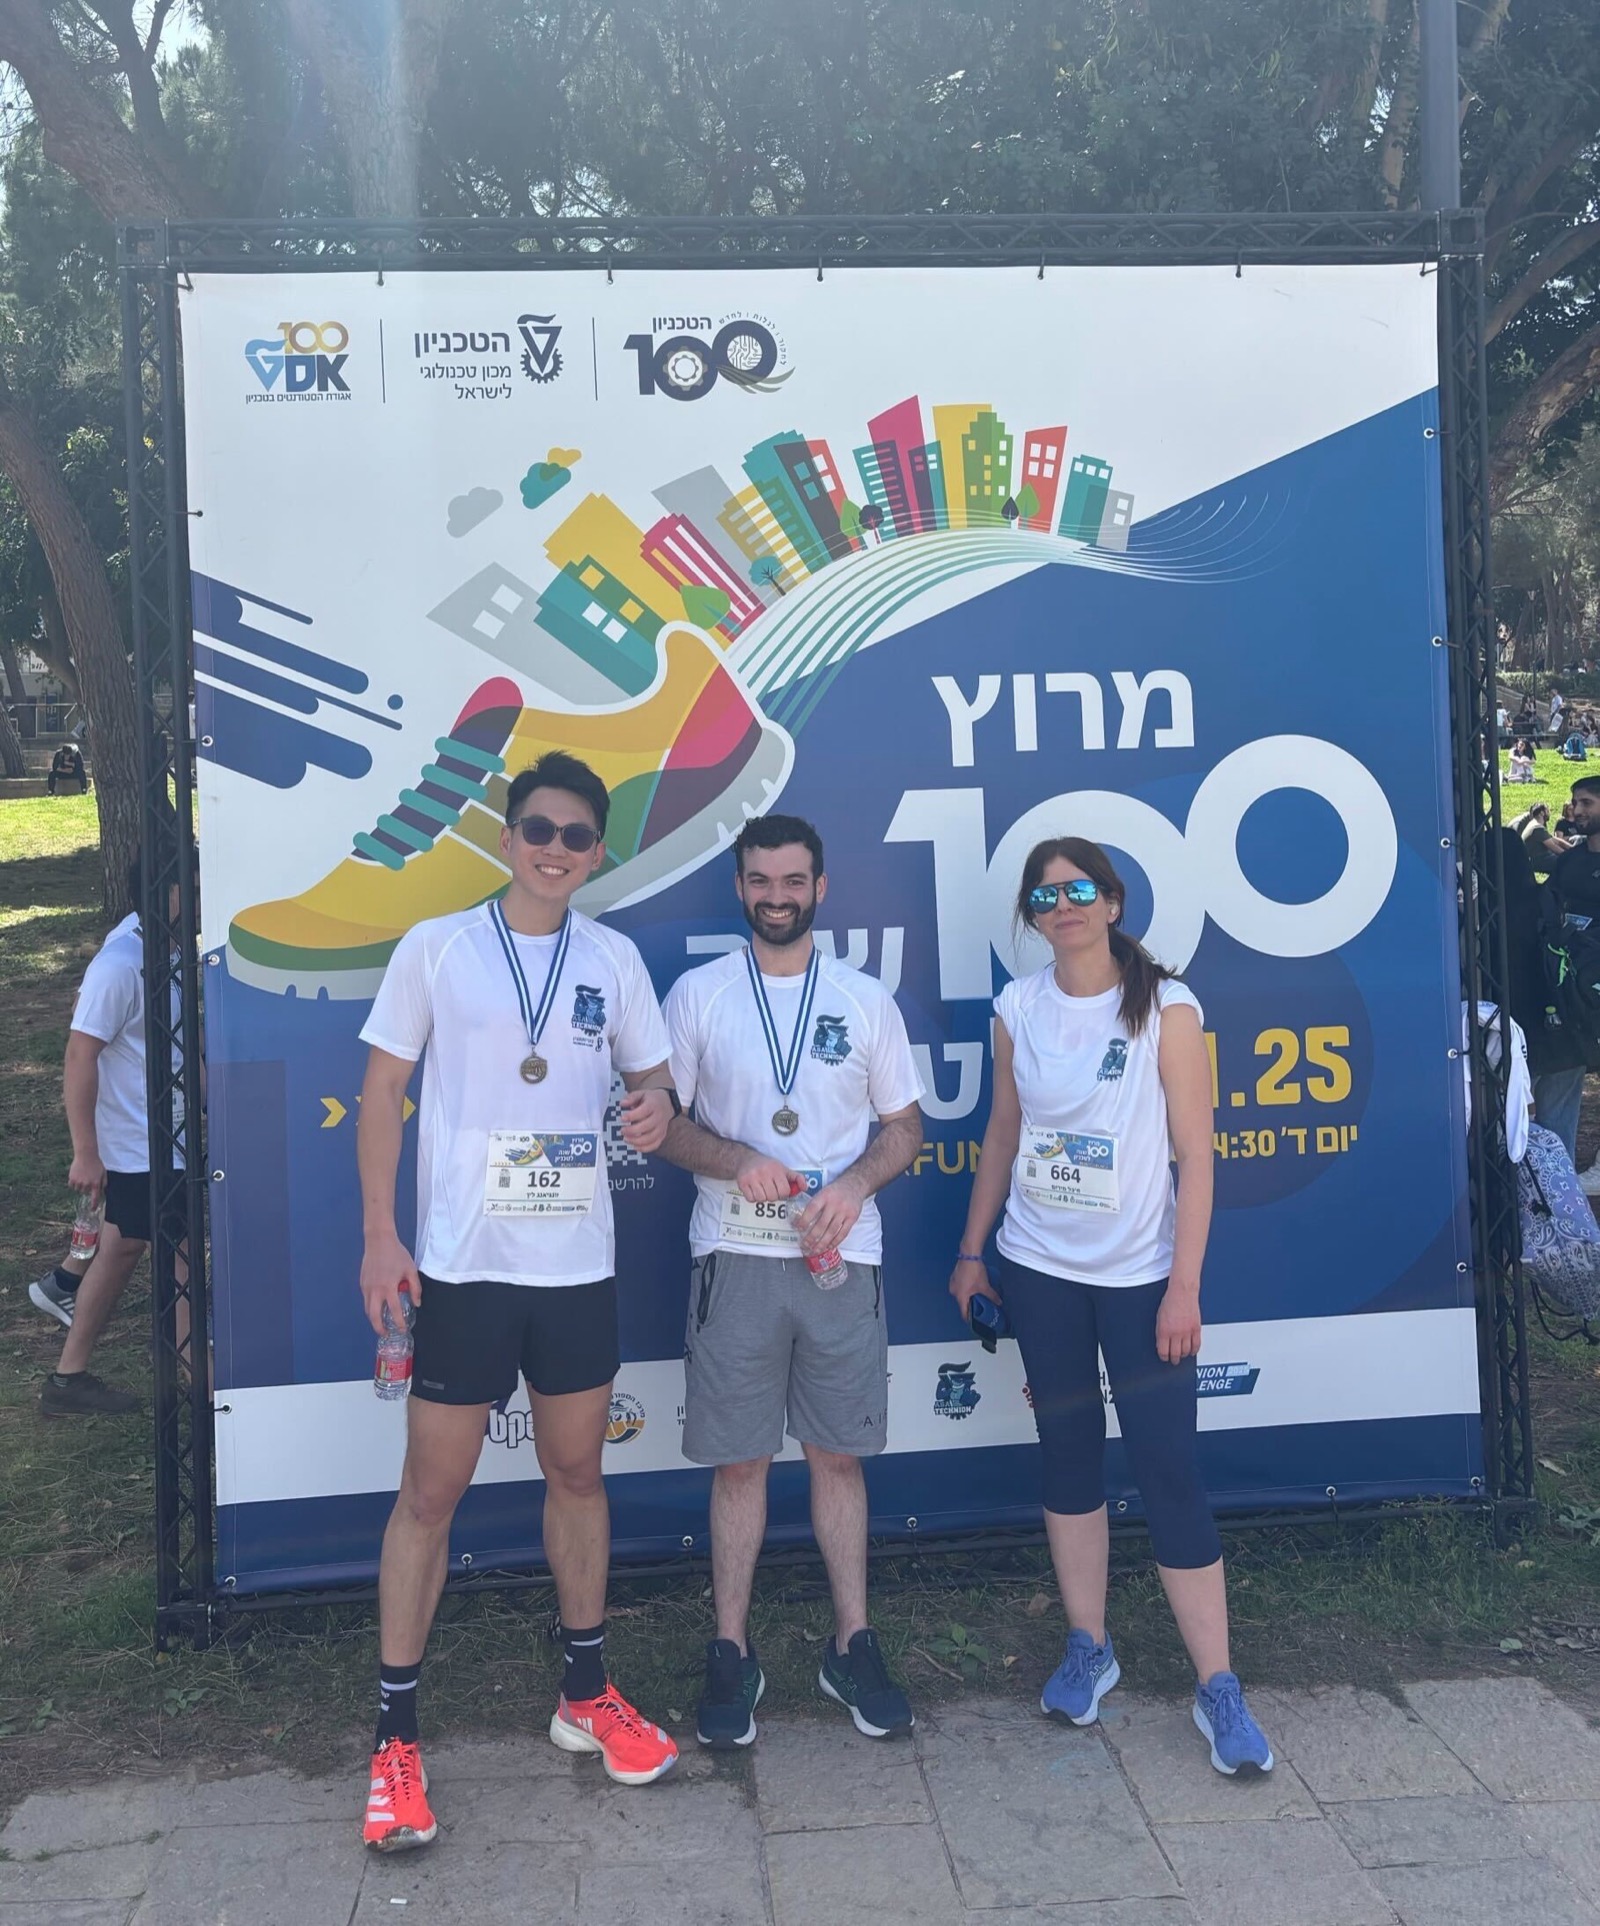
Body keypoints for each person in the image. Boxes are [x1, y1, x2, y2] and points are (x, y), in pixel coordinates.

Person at [356, 749, 682, 1854]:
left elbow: (653, 1083)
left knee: (578, 1473)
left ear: (597, 852)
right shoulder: (436, 948)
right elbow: (383, 1095)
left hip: (575, 1266)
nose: (553, 849)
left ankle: (584, 1695)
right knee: (431, 1494)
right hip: (462, 1264)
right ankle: (395, 1740)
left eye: (575, 837)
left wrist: (651, 1111)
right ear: (505, 838)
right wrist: (380, 1237)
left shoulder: (613, 959)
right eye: (537, 829)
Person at [949, 836, 1274, 1776]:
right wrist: (974, 1252)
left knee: (1170, 1471)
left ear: (1115, 901)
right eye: (1047, 894)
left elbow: (1198, 1158)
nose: (1066, 905)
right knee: (1068, 1458)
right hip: (1040, 1269)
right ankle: (1089, 1647)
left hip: (1140, 1281)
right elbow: (1003, 1136)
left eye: (1081, 888)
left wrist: (1184, 1285)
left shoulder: (1168, 1007)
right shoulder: (1017, 1007)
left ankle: (1217, 1683)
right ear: (1031, 913)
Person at [657, 814, 925, 1750]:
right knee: (739, 1462)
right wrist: (736, 1160)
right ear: (739, 886)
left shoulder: (865, 1000)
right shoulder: (698, 994)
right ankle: (730, 1647)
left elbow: (906, 1127)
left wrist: (853, 1185)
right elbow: (661, 1123)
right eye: (761, 880)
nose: (778, 895)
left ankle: (853, 1640)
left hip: (841, 1260)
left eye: (794, 880)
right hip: (733, 1254)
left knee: (837, 1457)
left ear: (821, 887)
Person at [40, 857, 187, 1415]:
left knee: (128, 1245)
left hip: (160, 1136)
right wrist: (86, 1151)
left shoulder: (167, 952)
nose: (201, 900)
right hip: (136, 1142)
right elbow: (80, 1052)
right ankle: (200, 1380)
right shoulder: (123, 962)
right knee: (168, 1251)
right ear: (167, 891)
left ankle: (68, 1374)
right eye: (193, 889)